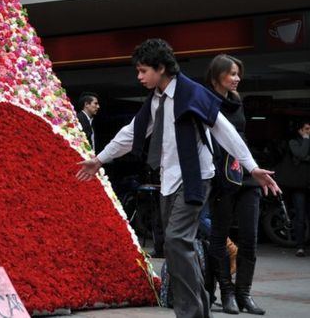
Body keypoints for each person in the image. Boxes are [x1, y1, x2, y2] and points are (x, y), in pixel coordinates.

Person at [77, 39, 280, 318]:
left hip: (195, 178)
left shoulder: (192, 92)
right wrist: (99, 159)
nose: (139, 77)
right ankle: (201, 309)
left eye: (143, 70)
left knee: (175, 241)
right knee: (176, 248)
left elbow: (224, 130)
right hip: (169, 179)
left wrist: (251, 167)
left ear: (161, 68)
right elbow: (131, 132)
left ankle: (190, 313)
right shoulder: (156, 100)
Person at [204, 54, 265, 314]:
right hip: (221, 177)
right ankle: (226, 294)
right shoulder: (205, 101)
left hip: (245, 175)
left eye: (238, 73)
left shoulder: (237, 101)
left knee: (250, 237)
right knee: (219, 235)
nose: (237, 78)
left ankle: (244, 294)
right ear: (217, 76)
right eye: (231, 73)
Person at [289, 121, 310, 257]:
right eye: (307, 129)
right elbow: (301, 154)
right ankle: (300, 246)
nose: (309, 131)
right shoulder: (293, 142)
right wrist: (306, 140)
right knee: (300, 216)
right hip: (299, 185)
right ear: (300, 130)